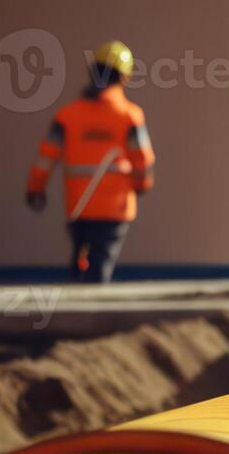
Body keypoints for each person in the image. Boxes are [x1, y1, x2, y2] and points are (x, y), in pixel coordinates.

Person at [26, 41, 155, 283]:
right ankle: (93, 314)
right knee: (100, 265)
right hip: (115, 208)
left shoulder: (67, 116)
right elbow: (143, 160)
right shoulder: (130, 116)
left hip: (79, 206)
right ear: (125, 77)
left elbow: (46, 157)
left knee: (83, 264)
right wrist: (142, 184)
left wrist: (35, 188)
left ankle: (77, 304)